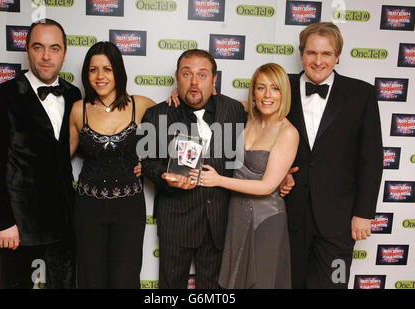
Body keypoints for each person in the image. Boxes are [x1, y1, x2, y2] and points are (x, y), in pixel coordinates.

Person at [0, 19, 81, 289]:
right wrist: (2, 223)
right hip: (18, 227)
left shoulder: (73, 95)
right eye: (39, 47)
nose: (46, 56)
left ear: (64, 53)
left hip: (63, 225)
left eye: (54, 48)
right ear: (27, 49)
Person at [282, 22, 383, 289]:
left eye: (326, 54)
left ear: (337, 56)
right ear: (301, 54)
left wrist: (364, 213)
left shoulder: (361, 94)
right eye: (311, 53)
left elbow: (371, 159)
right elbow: (256, 132)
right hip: (288, 215)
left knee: (334, 285)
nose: (318, 61)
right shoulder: (280, 88)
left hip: (338, 221)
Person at [140, 49, 247, 288]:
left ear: (214, 79)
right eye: (187, 74)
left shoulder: (234, 110)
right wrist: (165, 177)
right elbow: (146, 163)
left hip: (219, 220)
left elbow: (262, 136)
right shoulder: (157, 114)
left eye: (202, 75)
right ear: (177, 77)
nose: (194, 82)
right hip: (177, 219)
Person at [196, 63, 298, 288]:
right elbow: (207, 96)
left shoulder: (288, 132)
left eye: (275, 88)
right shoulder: (249, 117)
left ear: (284, 93)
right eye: (261, 88)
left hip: (266, 219)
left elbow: (266, 186)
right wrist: (179, 92)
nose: (267, 95)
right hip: (237, 216)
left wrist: (218, 180)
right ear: (253, 92)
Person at [69, 41, 155, 288]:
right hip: (87, 210)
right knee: (90, 280)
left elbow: (176, 123)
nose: (100, 76)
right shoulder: (78, 110)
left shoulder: (141, 105)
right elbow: (59, 159)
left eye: (107, 69)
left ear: (119, 70)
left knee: (125, 281)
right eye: (93, 69)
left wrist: (150, 165)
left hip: (129, 210)